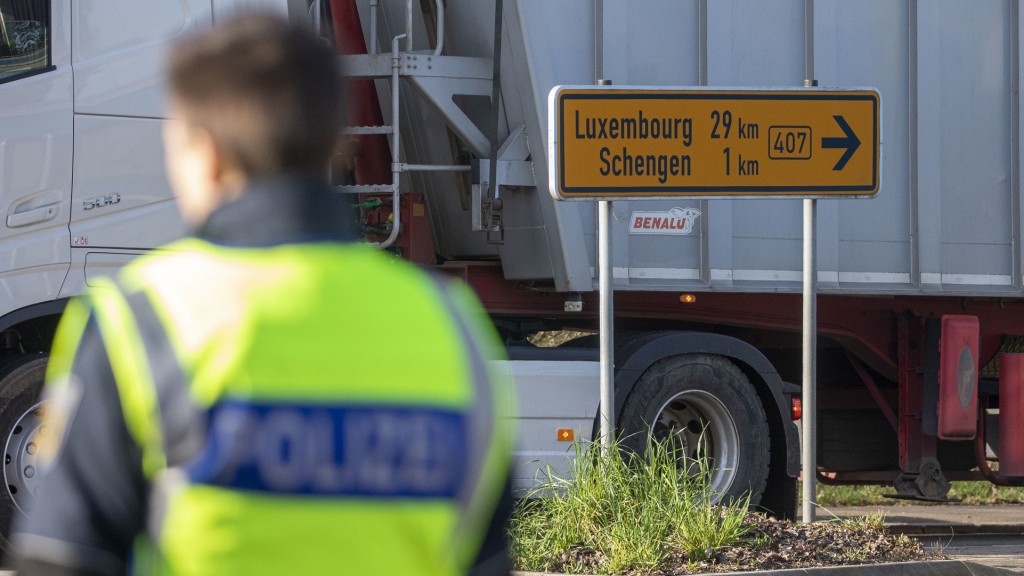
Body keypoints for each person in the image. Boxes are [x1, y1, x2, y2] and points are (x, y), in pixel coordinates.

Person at [13, 12, 514, 576]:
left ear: (204, 153)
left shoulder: (141, 321)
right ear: (337, 145)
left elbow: (59, 561)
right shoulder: (450, 326)